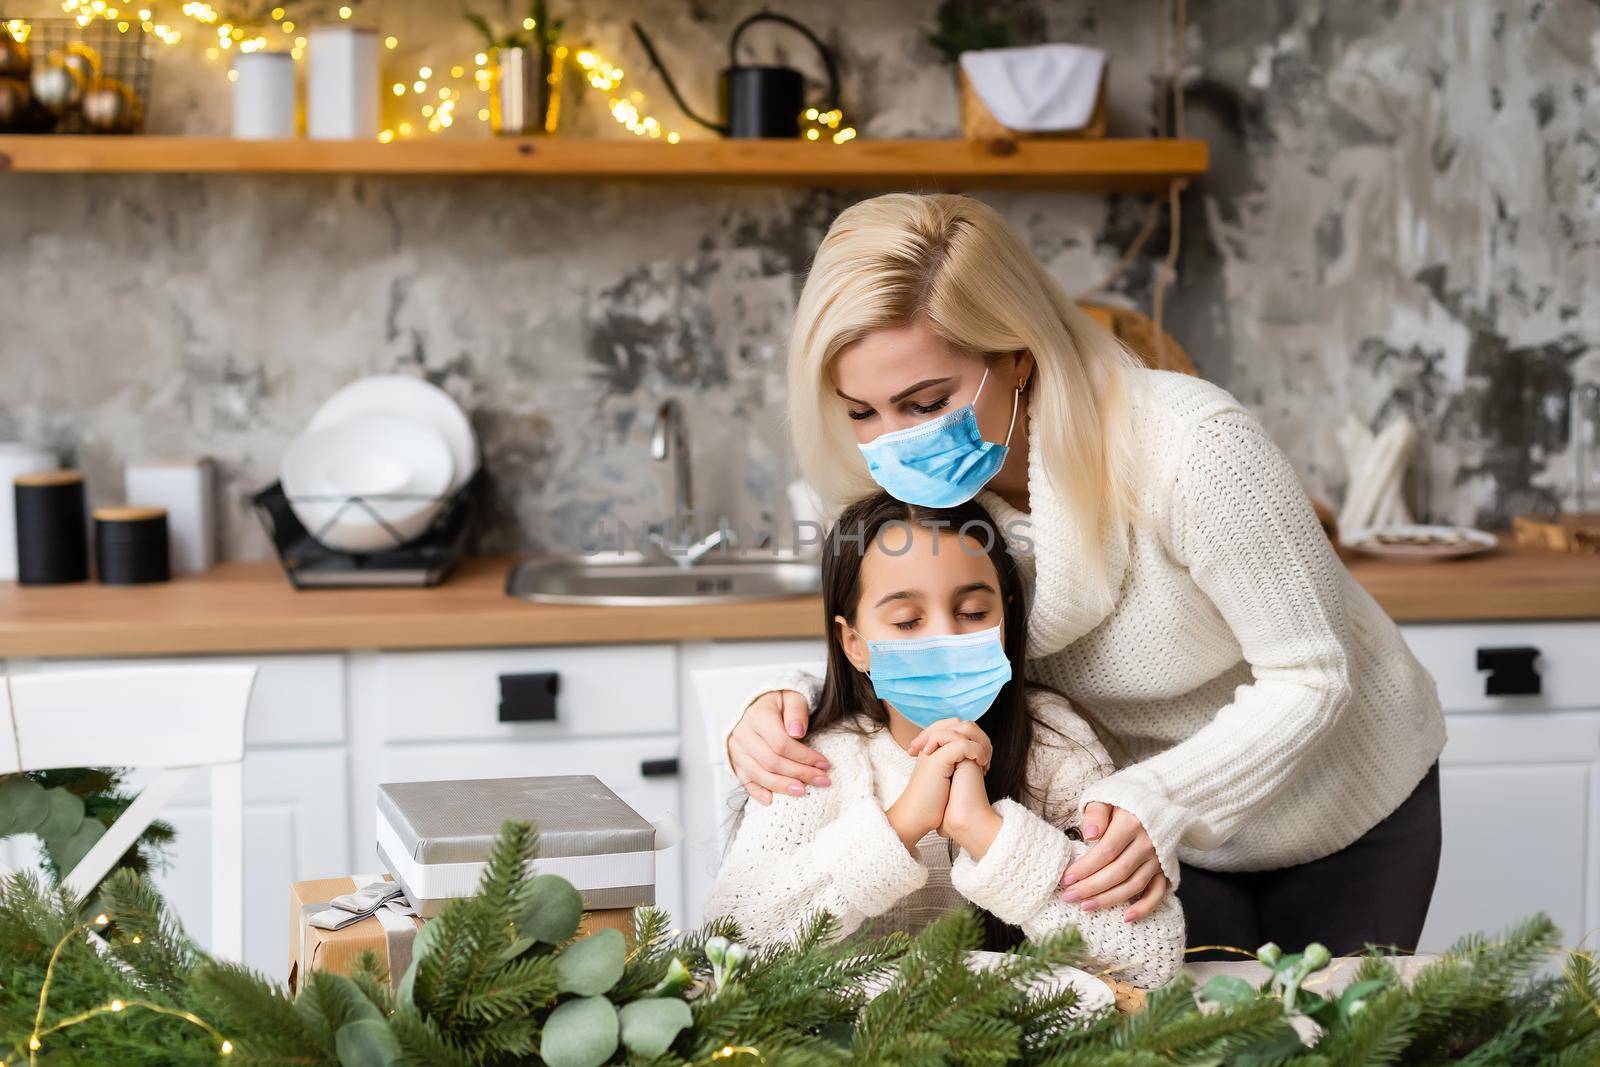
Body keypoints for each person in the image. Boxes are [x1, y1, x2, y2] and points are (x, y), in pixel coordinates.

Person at [721, 192, 1446, 957]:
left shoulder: (1190, 451)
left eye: (924, 402)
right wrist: (786, 704)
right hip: (1137, 825)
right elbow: (905, 624)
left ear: (1019, 356)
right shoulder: (916, 491)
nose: (893, 445)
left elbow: (1312, 672)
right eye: (861, 411)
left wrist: (1163, 796)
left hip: (1340, 799)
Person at [705, 493, 1186, 988]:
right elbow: (732, 948)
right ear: (854, 644)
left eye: (974, 612)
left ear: (1006, 617)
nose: (945, 638)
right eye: (908, 622)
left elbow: (1149, 957)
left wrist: (985, 831)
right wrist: (902, 823)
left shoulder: (1052, 743)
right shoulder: (818, 762)